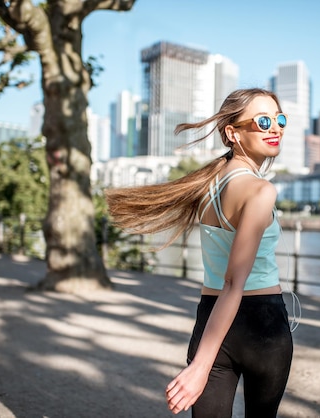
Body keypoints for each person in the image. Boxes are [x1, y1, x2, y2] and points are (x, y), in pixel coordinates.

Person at [105, 88, 295, 417]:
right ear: (232, 133)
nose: (275, 128)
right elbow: (235, 282)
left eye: (279, 119)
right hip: (262, 326)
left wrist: (203, 361)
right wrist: (199, 369)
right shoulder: (261, 190)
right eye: (263, 121)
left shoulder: (206, 185)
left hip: (210, 319)